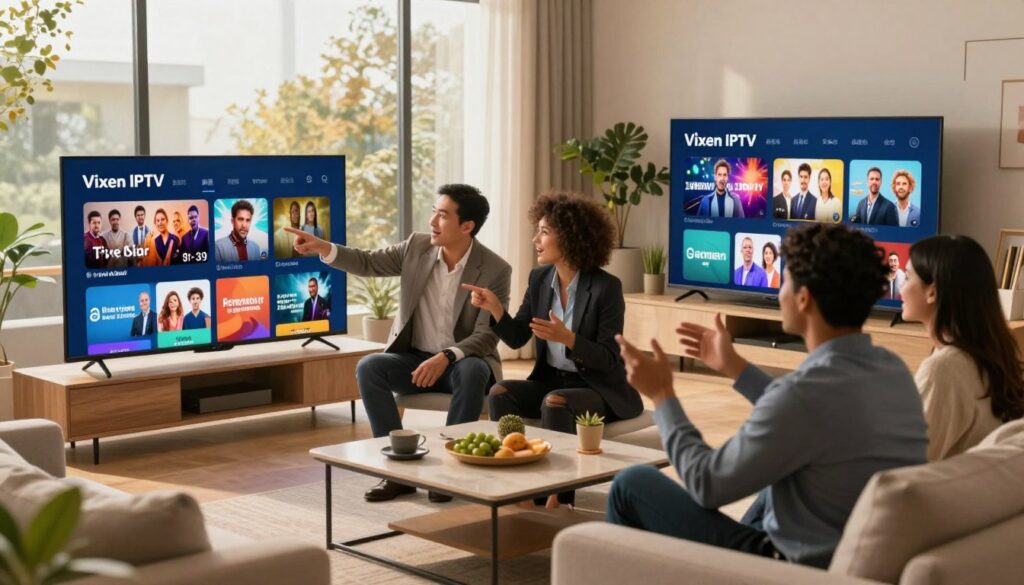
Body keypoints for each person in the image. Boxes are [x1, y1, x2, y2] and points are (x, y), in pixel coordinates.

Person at [610, 223, 927, 568]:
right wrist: (735, 367)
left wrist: (662, 395)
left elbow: (706, 483)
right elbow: (807, 416)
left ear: (804, 298)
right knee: (771, 480)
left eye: (785, 281)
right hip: (847, 544)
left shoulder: (804, 395)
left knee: (631, 483)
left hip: (791, 569)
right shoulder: (892, 369)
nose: (779, 292)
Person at [286, 183, 511, 504]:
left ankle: (451, 472)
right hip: (415, 360)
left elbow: (488, 333)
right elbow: (367, 262)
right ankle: (396, 472)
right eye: (433, 212)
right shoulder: (416, 248)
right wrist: (324, 247)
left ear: (467, 226)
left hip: (461, 362)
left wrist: (447, 357)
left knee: (473, 370)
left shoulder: (494, 269)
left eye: (442, 215)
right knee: (370, 367)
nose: (432, 221)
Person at [464, 192, 644, 508]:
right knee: (500, 391)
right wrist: (495, 310)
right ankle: (517, 481)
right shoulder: (539, 278)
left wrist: (569, 339)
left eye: (545, 232)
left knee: (556, 402)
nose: (536, 238)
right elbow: (519, 337)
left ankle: (560, 496)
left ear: (571, 237)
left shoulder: (606, 287)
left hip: (597, 387)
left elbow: (608, 358)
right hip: (553, 379)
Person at [900, 235, 1024, 460]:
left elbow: (907, 465)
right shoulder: (992, 353)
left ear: (932, 292)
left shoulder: (944, 369)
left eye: (907, 277)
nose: (901, 288)